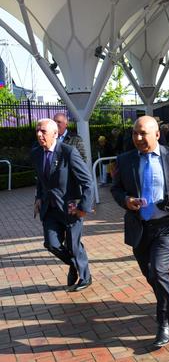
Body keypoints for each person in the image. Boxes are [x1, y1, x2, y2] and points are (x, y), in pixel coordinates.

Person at [111, 116, 169, 348]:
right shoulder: (125, 160)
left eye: (143, 134)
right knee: (151, 276)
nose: (138, 138)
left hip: (166, 227)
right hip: (139, 228)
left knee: (159, 272)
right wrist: (126, 200)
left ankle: (164, 323)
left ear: (157, 135)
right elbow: (116, 189)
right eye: (135, 134)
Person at [31, 118, 94, 291]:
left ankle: (85, 277)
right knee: (51, 244)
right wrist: (38, 197)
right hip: (49, 208)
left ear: (55, 134)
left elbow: (87, 181)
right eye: (37, 130)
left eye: (43, 131)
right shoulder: (37, 152)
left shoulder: (68, 152)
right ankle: (75, 264)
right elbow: (41, 179)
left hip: (70, 207)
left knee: (73, 245)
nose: (39, 134)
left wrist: (83, 208)